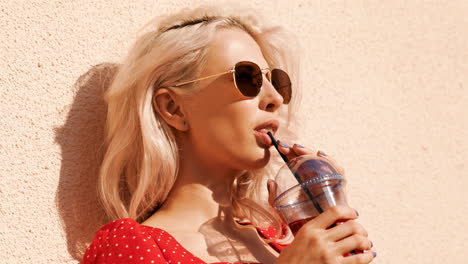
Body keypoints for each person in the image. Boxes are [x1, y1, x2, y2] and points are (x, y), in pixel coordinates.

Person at [81, 4, 375, 264]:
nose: (274, 98)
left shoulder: (279, 242)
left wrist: (327, 215)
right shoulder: (134, 247)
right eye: (248, 78)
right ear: (174, 108)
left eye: (276, 81)